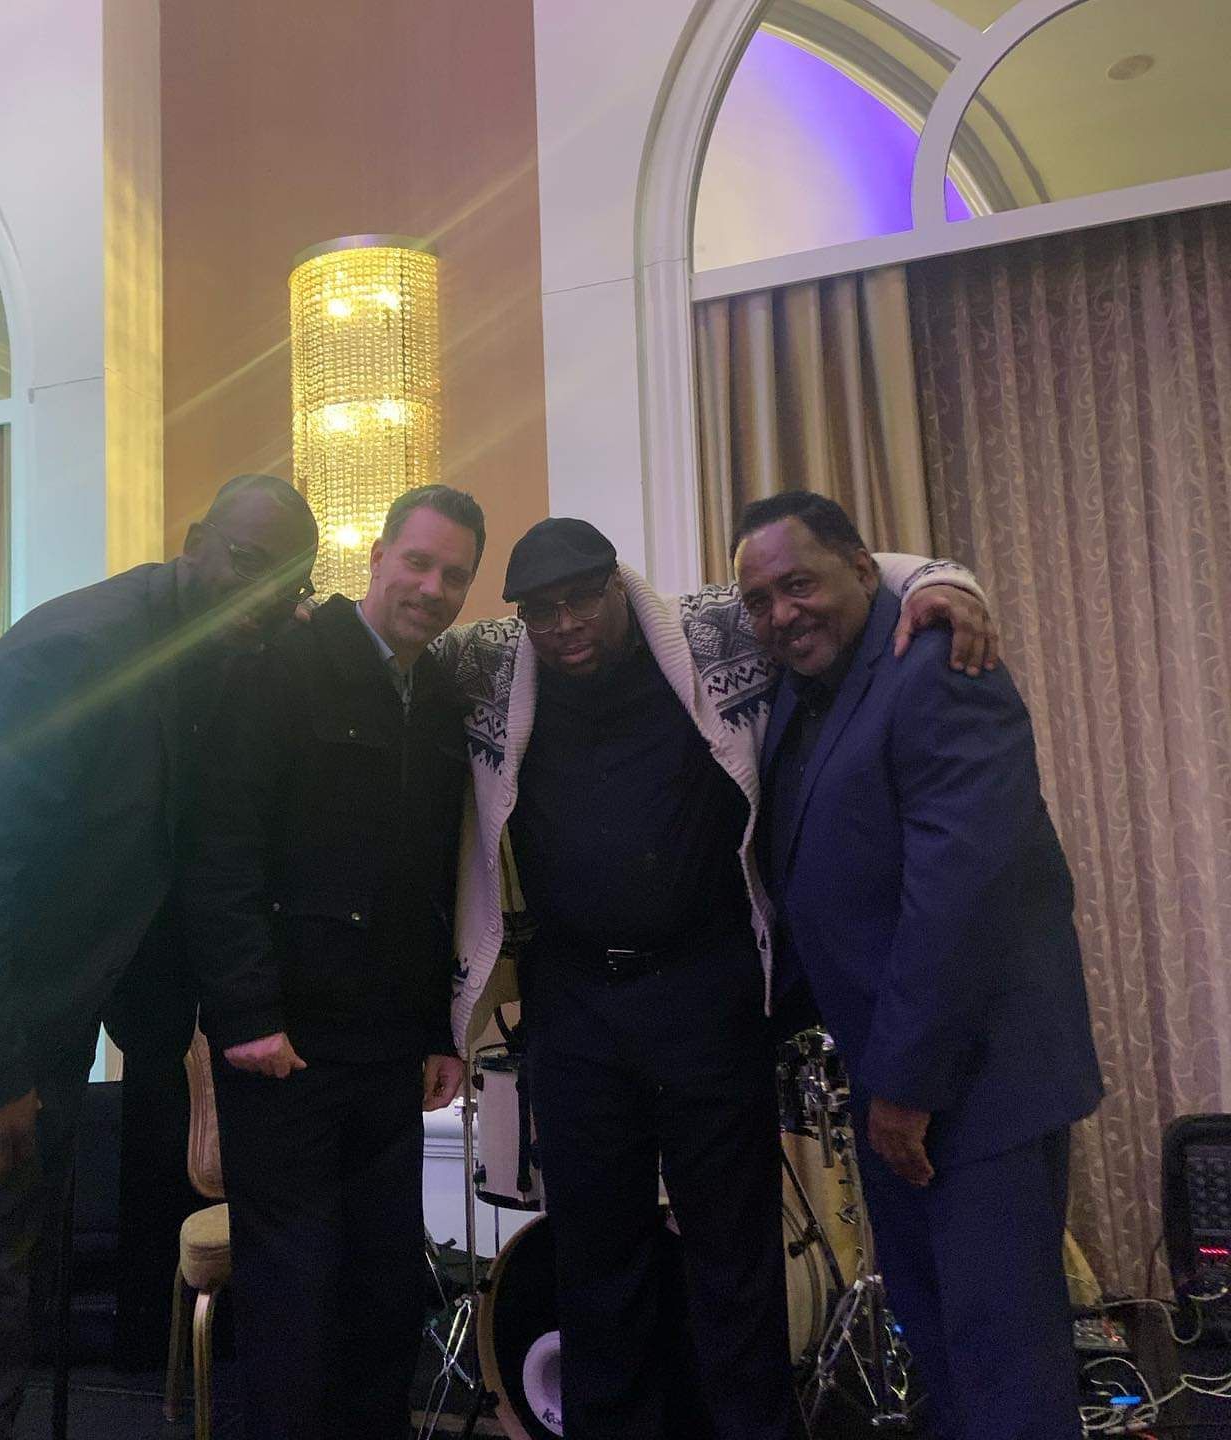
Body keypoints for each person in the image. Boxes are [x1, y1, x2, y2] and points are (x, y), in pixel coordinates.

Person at [438, 516, 996, 1440]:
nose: (566, 623)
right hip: (574, 1004)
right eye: (542, 609)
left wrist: (944, 582)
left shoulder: (709, 631)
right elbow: (403, 630)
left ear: (618, 585)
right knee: (595, 1259)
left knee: (735, 1254)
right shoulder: (495, 660)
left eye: (582, 598)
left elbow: (844, 577)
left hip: (705, 991)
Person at [0, 473, 318, 1440]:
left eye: (287, 585)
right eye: (248, 564)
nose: (263, 598)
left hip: (12, 1055)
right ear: (194, 539)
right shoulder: (76, 652)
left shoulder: (194, 651)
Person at [734, 491, 1102, 1440]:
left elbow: (959, 898)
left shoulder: (938, 663)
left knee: (1004, 1366)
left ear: (866, 569)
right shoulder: (804, 686)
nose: (781, 614)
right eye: (760, 599)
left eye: (800, 584)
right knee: (944, 1348)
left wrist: (904, 1085)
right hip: (898, 1078)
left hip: (974, 1078)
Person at [180, 484, 483, 1440]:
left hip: (389, 1052)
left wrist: (438, 1032)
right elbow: (219, 847)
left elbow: (431, 879)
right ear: (379, 556)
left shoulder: (442, 695)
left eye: (455, 577)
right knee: (293, 1306)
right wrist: (247, 1017)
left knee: (383, 1297)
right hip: (287, 1050)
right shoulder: (285, 662)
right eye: (418, 563)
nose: (432, 589)